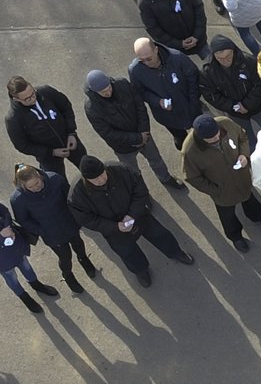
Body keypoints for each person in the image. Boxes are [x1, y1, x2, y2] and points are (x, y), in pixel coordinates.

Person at [68, 155, 195, 287]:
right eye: (95, 179)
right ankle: (141, 271)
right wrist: (114, 227)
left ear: (104, 168)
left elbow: (140, 191)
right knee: (128, 253)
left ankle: (176, 252)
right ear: (86, 179)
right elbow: (87, 219)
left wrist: (132, 215)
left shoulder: (122, 170)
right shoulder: (77, 195)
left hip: (138, 216)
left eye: (102, 174)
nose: (101, 180)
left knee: (159, 234)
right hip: (114, 230)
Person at [182, 114, 261, 250]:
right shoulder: (189, 151)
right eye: (211, 139)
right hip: (222, 191)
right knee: (227, 216)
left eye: (217, 134)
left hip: (242, 179)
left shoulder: (225, 123)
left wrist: (244, 155)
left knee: (249, 199)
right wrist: (215, 190)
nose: (217, 139)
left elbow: (242, 137)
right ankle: (235, 236)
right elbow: (192, 177)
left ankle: (258, 216)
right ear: (201, 137)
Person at [83, 69, 183, 189]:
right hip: (124, 147)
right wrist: (137, 138)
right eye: (103, 92)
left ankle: (166, 178)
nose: (109, 92)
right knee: (132, 172)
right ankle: (141, 191)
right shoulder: (92, 108)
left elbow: (140, 106)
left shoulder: (123, 84)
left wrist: (144, 131)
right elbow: (107, 133)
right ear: (94, 91)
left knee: (156, 159)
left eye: (109, 87)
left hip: (144, 135)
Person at [11, 165, 97, 295]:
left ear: (39, 176)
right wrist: (41, 230)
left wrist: (74, 216)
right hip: (51, 234)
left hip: (69, 223)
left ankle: (84, 259)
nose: (36, 187)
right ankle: (68, 276)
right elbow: (23, 220)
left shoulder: (55, 179)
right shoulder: (18, 200)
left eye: (37, 182)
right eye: (31, 187)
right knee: (65, 257)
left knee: (78, 244)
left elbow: (70, 197)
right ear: (22, 186)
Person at [129, 37, 204, 149]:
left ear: (156, 50)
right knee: (181, 141)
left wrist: (194, 103)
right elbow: (140, 92)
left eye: (149, 59)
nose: (146, 63)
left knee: (201, 137)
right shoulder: (135, 70)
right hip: (167, 116)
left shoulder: (177, 58)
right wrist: (157, 101)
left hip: (190, 107)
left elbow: (193, 79)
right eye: (141, 60)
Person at [6, 77, 87, 176]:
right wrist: (51, 152)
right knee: (58, 185)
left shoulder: (46, 92)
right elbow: (22, 145)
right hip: (48, 157)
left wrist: (71, 132)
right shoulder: (13, 119)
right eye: (27, 99)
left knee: (89, 169)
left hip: (70, 140)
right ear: (16, 99)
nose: (33, 99)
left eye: (33, 93)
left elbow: (66, 108)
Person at [201, 35, 261, 138]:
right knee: (244, 134)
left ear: (233, 50)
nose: (226, 61)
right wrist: (232, 106)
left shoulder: (249, 61)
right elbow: (211, 95)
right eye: (221, 58)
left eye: (228, 56)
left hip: (258, 106)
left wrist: (246, 104)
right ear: (214, 55)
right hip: (235, 112)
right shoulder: (208, 72)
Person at [0, 202, 59, 314]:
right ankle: (24, 297)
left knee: (25, 265)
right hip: (2, 260)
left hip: (15, 246)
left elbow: (4, 210)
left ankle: (36, 284)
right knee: (11, 277)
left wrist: (7, 226)